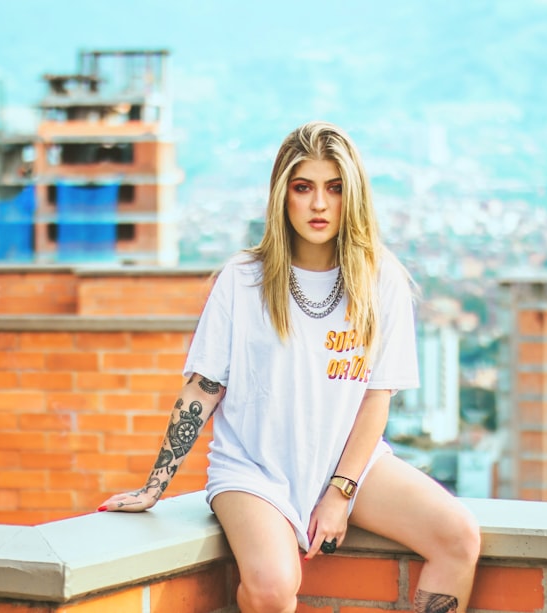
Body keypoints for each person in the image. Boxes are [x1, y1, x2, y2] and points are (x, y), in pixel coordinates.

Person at [97, 121, 480, 613]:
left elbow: (375, 398)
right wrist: (154, 486)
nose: (319, 204)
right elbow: (203, 388)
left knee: (458, 536)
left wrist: (340, 493)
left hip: (349, 464)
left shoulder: (381, 281)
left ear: (353, 196)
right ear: (283, 195)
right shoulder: (243, 280)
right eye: (304, 188)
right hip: (252, 469)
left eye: (334, 188)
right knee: (274, 586)